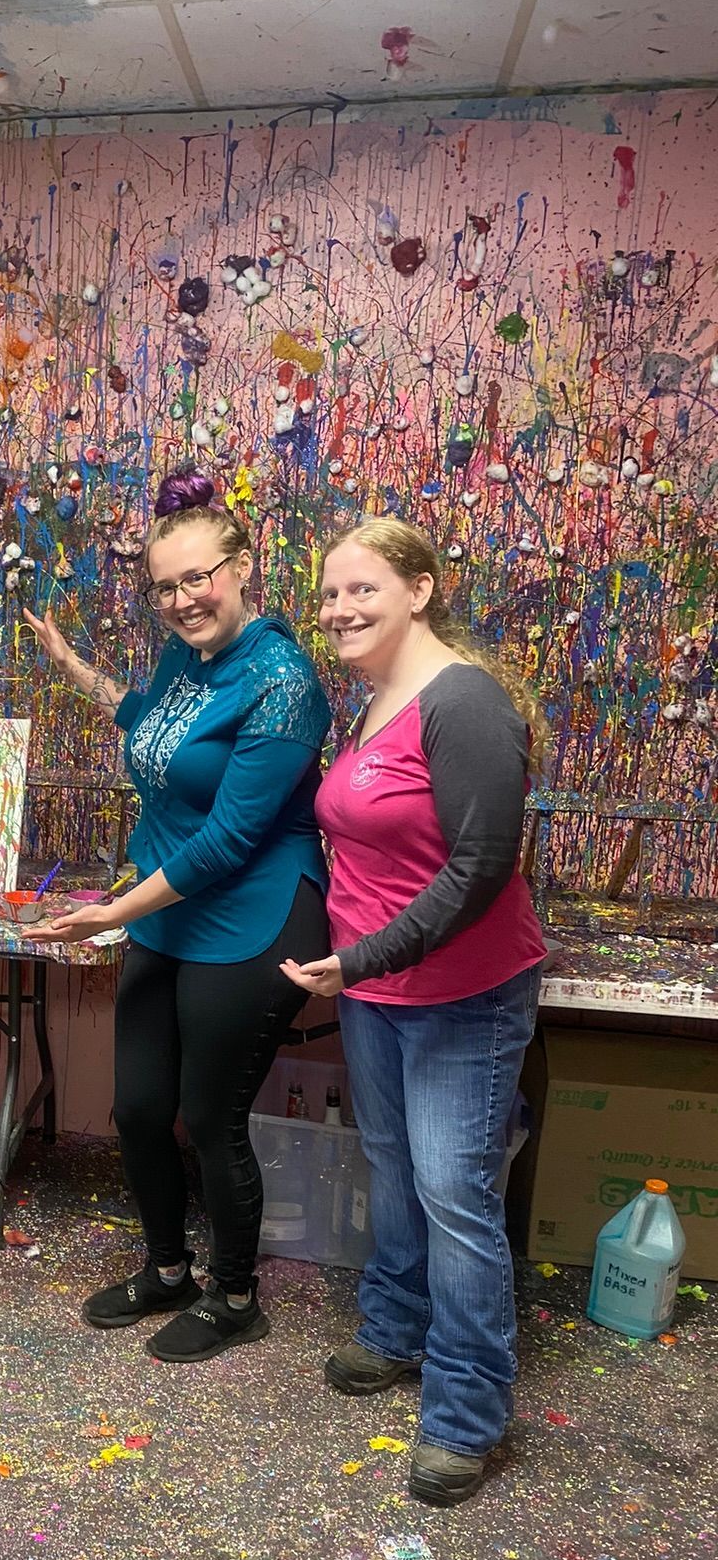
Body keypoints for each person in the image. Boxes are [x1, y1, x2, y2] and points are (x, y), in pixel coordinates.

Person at [23, 468, 331, 1362]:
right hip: (167, 905)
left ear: (241, 567)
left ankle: (236, 1295)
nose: (184, 599)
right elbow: (150, 726)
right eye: (165, 586)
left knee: (209, 1113)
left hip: (253, 907)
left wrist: (108, 912)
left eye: (200, 577)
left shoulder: (284, 681)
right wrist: (74, 665)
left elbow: (232, 839)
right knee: (138, 1108)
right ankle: (168, 1271)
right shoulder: (181, 658)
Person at [281, 518, 546, 1508]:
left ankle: (468, 1410)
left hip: (460, 999)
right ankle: (394, 1327)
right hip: (375, 991)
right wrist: (350, 961)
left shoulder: (464, 701)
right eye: (330, 595)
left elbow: (481, 870)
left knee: (455, 1194)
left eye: (363, 590)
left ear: (421, 588)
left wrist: (359, 959)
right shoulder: (372, 699)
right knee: (391, 1166)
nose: (340, 610)